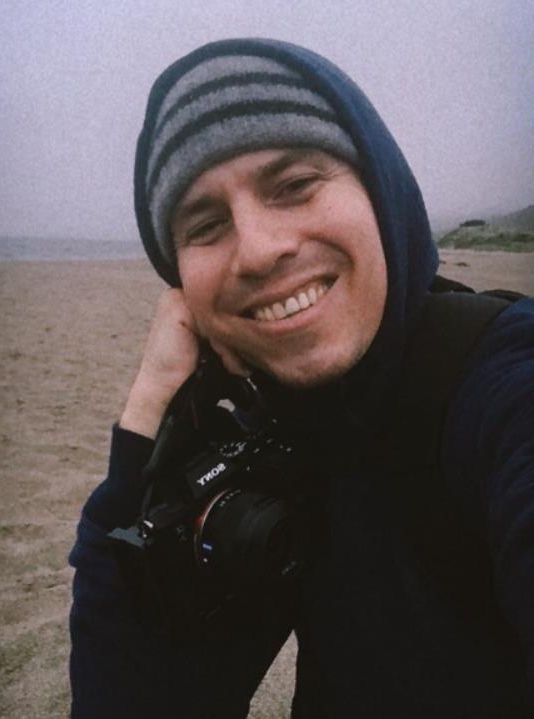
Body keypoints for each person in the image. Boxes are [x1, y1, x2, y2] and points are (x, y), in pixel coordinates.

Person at [69, 38, 534, 717]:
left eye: (293, 186)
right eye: (206, 224)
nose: (259, 251)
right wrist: (148, 421)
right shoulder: (269, 435)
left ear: (380, 192)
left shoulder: (503, 385)